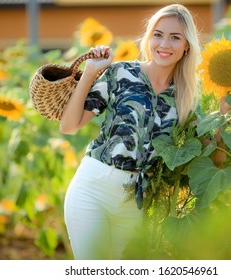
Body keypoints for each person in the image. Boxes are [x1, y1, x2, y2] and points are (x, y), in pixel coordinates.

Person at [60, 4, 201, 260]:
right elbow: (69, 126)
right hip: (93, 189)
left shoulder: (185, 98)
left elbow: (209, 157)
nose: (164, 44)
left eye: (175, 37)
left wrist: (225, 115)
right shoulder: (121, 73)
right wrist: (91, 72)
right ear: (149, 38)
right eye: (158, 34)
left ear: (186, 46)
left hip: (136, 202)